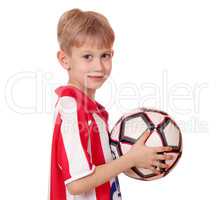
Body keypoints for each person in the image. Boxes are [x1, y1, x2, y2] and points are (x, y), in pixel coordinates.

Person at [49, 8, 174, 200]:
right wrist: (130, 159)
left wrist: (137, 157)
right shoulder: (72, 107)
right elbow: (76, 184)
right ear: (65, 60)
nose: (99, 66)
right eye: (87, 57)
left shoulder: (93, 110)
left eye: (105, 55)